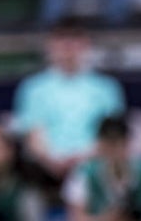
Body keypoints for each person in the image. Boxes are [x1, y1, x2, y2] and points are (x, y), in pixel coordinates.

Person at [11, 17, 126, 204]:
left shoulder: (106, 88)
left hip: (95, 171)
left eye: (75, 39)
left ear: (86, 43)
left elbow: (111, 135)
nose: (68, 46)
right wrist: (53, 162)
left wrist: (81, 160)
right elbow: (32, 134)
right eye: (61, 39)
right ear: (49, 45)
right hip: (45, 173)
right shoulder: (32, 88)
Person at [62, 114, 141, 221]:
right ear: (100, 145)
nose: (113, 151)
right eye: (108, 144)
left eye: (118, 143)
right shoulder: (82, 173)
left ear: (127, 143)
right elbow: (77, 216)